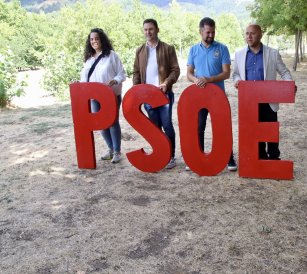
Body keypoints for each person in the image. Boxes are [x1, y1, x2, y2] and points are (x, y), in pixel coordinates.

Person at [233, 24, 294, 160]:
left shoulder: (272, 53)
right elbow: (236, 74)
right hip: (249, 102)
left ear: (260, 35)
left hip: (269, 100)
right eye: (247, 33)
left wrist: (290, 85)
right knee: (255, 132)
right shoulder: (239, 54)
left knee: (270, 130)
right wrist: (237, 80)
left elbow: (284, 72)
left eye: (252, 33)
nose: (249, 36)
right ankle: (260, 159)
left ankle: (273, 158)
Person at [187, 17, 237, 172]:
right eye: (208, 32)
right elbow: (188, 73)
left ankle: (229, 158)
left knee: (222, 128)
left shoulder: (222, 48)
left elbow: (226, 73)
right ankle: (197, 158)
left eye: (213, 32)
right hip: (200, 97)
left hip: (218, 96)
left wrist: (209, 79)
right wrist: (196, 80)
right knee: (199, 128)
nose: (211, 35)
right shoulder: (193, 50)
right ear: (200, 31)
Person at [133, 19, 180, 169]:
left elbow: (175, 70)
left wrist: (166, 83)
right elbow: (135, 72)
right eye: (146, 29)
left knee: (167, 125)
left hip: (163, 94)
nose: (148, 32)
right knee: (155, 127)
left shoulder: (168, 48)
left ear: (157, 30)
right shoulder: (140, 51)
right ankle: (160, 155)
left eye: (151, 29)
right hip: (147, 97)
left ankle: (171, 156)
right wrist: (138, 89)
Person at [80, 28, 126, 163]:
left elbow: (122, 74)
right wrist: (80, 85)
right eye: (92, 39)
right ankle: (111, 149)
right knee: (101, 123)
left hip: (111, 95)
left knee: (112, 122)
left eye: (97, 38)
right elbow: (85, 78)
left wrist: (114, 80)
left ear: (102, 39)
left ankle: (117, 152)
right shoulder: (88, 59)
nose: (94, 41)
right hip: (95, 97)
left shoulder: (112, 55)